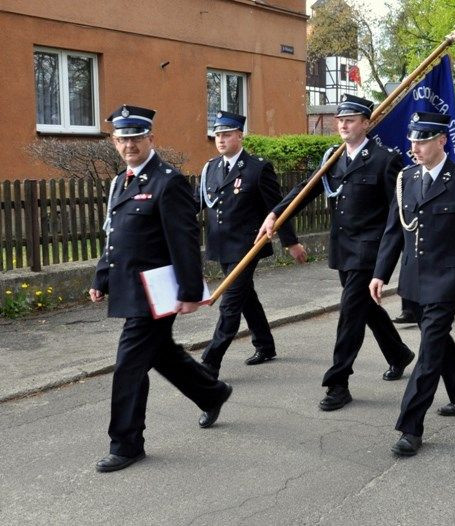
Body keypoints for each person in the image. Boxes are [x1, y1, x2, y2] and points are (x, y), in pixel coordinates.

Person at [89, 105, 232, 472]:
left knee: (128, 367)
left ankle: (126, 444)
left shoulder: (167, 181)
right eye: (122, 139)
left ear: (150, 138)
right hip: (129, 288)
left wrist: (189, 292)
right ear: (114, 141)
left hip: (157, 292)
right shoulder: (121, 181)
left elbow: (184, 241)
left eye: (135, 138)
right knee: (161, 354)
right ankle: (212, 392)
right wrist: (101, 276)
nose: (128, 145)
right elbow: (113, 235)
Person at [259, 95, 415, 411]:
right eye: (340, 119)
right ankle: (398, 353)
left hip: (369, 251)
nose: (343, 124)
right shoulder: (334, 158)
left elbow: (396, 212)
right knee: (364, 309)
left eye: (351, 119)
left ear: (367, 123)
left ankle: (338, 382)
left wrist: (387, 260)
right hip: (344, 248)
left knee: (350, 313)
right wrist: (276, 212)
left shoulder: (385, 159)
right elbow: (306, 188)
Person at [368, 111, 455, 457]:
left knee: (428, 352)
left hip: (448, 277)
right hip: (414, 276)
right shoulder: (406, 178)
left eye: (422, 140)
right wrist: (381, 273)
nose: (415, 146)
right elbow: (395, 230)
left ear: (442, 141)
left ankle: (411, 426)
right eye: (412, 140)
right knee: (436, 339)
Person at [197, 111, 307, 379]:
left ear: (239, 136)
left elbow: (278, 208)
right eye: (217, 135)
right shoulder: (210, 168)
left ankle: (210, 363)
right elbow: (196, 204)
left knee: (230, 303)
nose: (221, 140)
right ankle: (265, 345)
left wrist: (290, 243)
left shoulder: (257, 168)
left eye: (226, 134)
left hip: (248, 245)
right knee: (246, 296)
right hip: (221, 245)